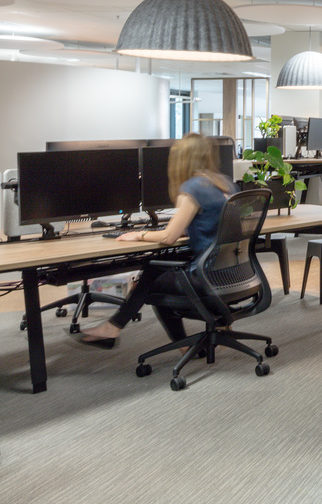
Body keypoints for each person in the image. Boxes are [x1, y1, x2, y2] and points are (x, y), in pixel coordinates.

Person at [71, 133, 235, 349]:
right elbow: (215, 223)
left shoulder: (193, 188)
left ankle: (119, 330)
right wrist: (188, 229)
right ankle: (119, 330)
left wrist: (139, 235)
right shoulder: (225, 184)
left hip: (206, 276)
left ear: (181, 159)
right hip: (230, 273)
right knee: (156, 270)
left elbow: (168, 237)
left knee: (151, 279)